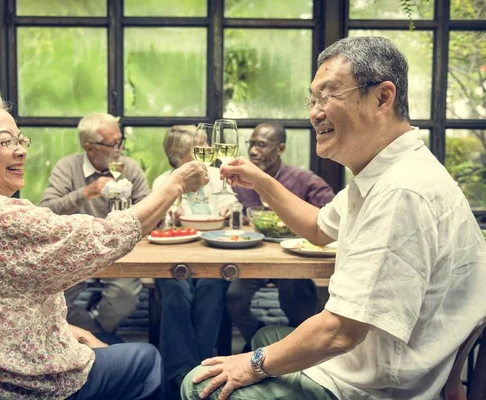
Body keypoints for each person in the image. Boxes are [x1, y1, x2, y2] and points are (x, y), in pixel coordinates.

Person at [182, 36, 486, 400]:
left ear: (382, 98)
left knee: (200, 383)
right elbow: (318, 228)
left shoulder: (402, 191)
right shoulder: (384, 172)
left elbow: (339, 333)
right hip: (373, 361)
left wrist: (250, 365)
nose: (314, 112)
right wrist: (261, 181)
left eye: (328, 95)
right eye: (313, 98)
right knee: (266, 336)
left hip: (377, 385)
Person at [0, 88, 209, 399]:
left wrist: (62, 331)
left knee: (110, 343)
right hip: (20, 384)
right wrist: (176, 184)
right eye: (4, 141)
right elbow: (103, 239)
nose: (21, 150)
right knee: (146, 360)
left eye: (20, 140)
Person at [39, 113, 149, 339]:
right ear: (90, 148)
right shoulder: (68, 167)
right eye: (113, 144)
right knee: (54, 303)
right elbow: (46, 209)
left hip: (121, 252)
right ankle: (102, 337)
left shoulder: (128, 167)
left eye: (121, 142)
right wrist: (85, 193)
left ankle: (98, 335)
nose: (120, 150)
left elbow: (148, 206)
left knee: (125, 296)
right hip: (77, 252)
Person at [226, 122, 335, 351]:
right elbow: (227, 211)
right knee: (234, 297)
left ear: (280, 149)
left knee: (296, 294)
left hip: (293, 256)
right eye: (252, 144)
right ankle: (258, 339)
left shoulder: (304, 179)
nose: (254, 151)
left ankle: (299, 348)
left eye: (262, 145)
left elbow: (330, 213)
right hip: (252, 257)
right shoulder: (239, 181)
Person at [151, 126, 234, 398]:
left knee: (212, 289)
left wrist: (228, 207)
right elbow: (157, 221)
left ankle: (193, 372)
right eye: (199, 146)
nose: (207, 150)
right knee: (175, 291)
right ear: (177, 155)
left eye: (206, 145)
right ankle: (187, 374)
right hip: (176, 254)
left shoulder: (215, 176)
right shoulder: (164, 181)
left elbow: (232, 203)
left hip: (213, 254)